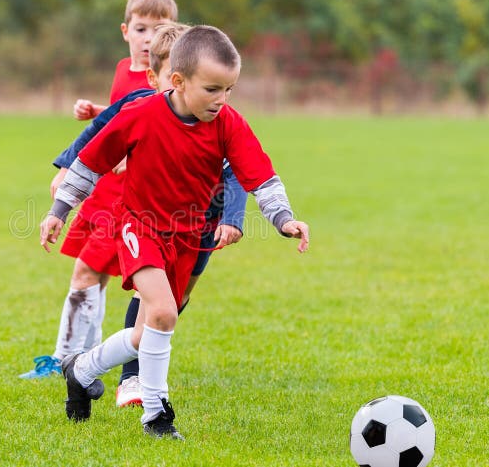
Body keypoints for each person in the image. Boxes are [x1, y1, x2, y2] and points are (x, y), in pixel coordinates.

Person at [40, 25, 310, 440]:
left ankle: (81, 369)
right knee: (164, 311)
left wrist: (284, 219)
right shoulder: (140, 115)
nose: (222, 100)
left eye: (229, 89)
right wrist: (60, 210)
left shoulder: (227, 124)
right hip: (138, 226)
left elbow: (259, 175)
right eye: (212, 89)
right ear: (179, 82)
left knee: (145, 333)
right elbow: (90, 162)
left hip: (187, 236)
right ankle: (157, 416)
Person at [20, 24, 247, 385]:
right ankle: (128, 379)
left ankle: (96, 363)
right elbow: (100, 131)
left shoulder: (217, 121)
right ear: (156, 79)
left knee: (171, 302)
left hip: (201, 225)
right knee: (135, 292)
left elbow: (240, 170)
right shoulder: (140, 107)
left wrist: (234, 216)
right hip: (137, 216)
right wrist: (65, 169)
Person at [19, 0, 178, 379]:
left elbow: (148, 126)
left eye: (159, 31)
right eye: (141, 29)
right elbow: (120, 119)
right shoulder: (124, 72)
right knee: (94, 276)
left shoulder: (165, 83)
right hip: (101, 190)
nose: (148, 40)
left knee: (87, 273)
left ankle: (67, 362)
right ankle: (86, 357)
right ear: (125, 30)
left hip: (128, 201)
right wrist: (97, 113)